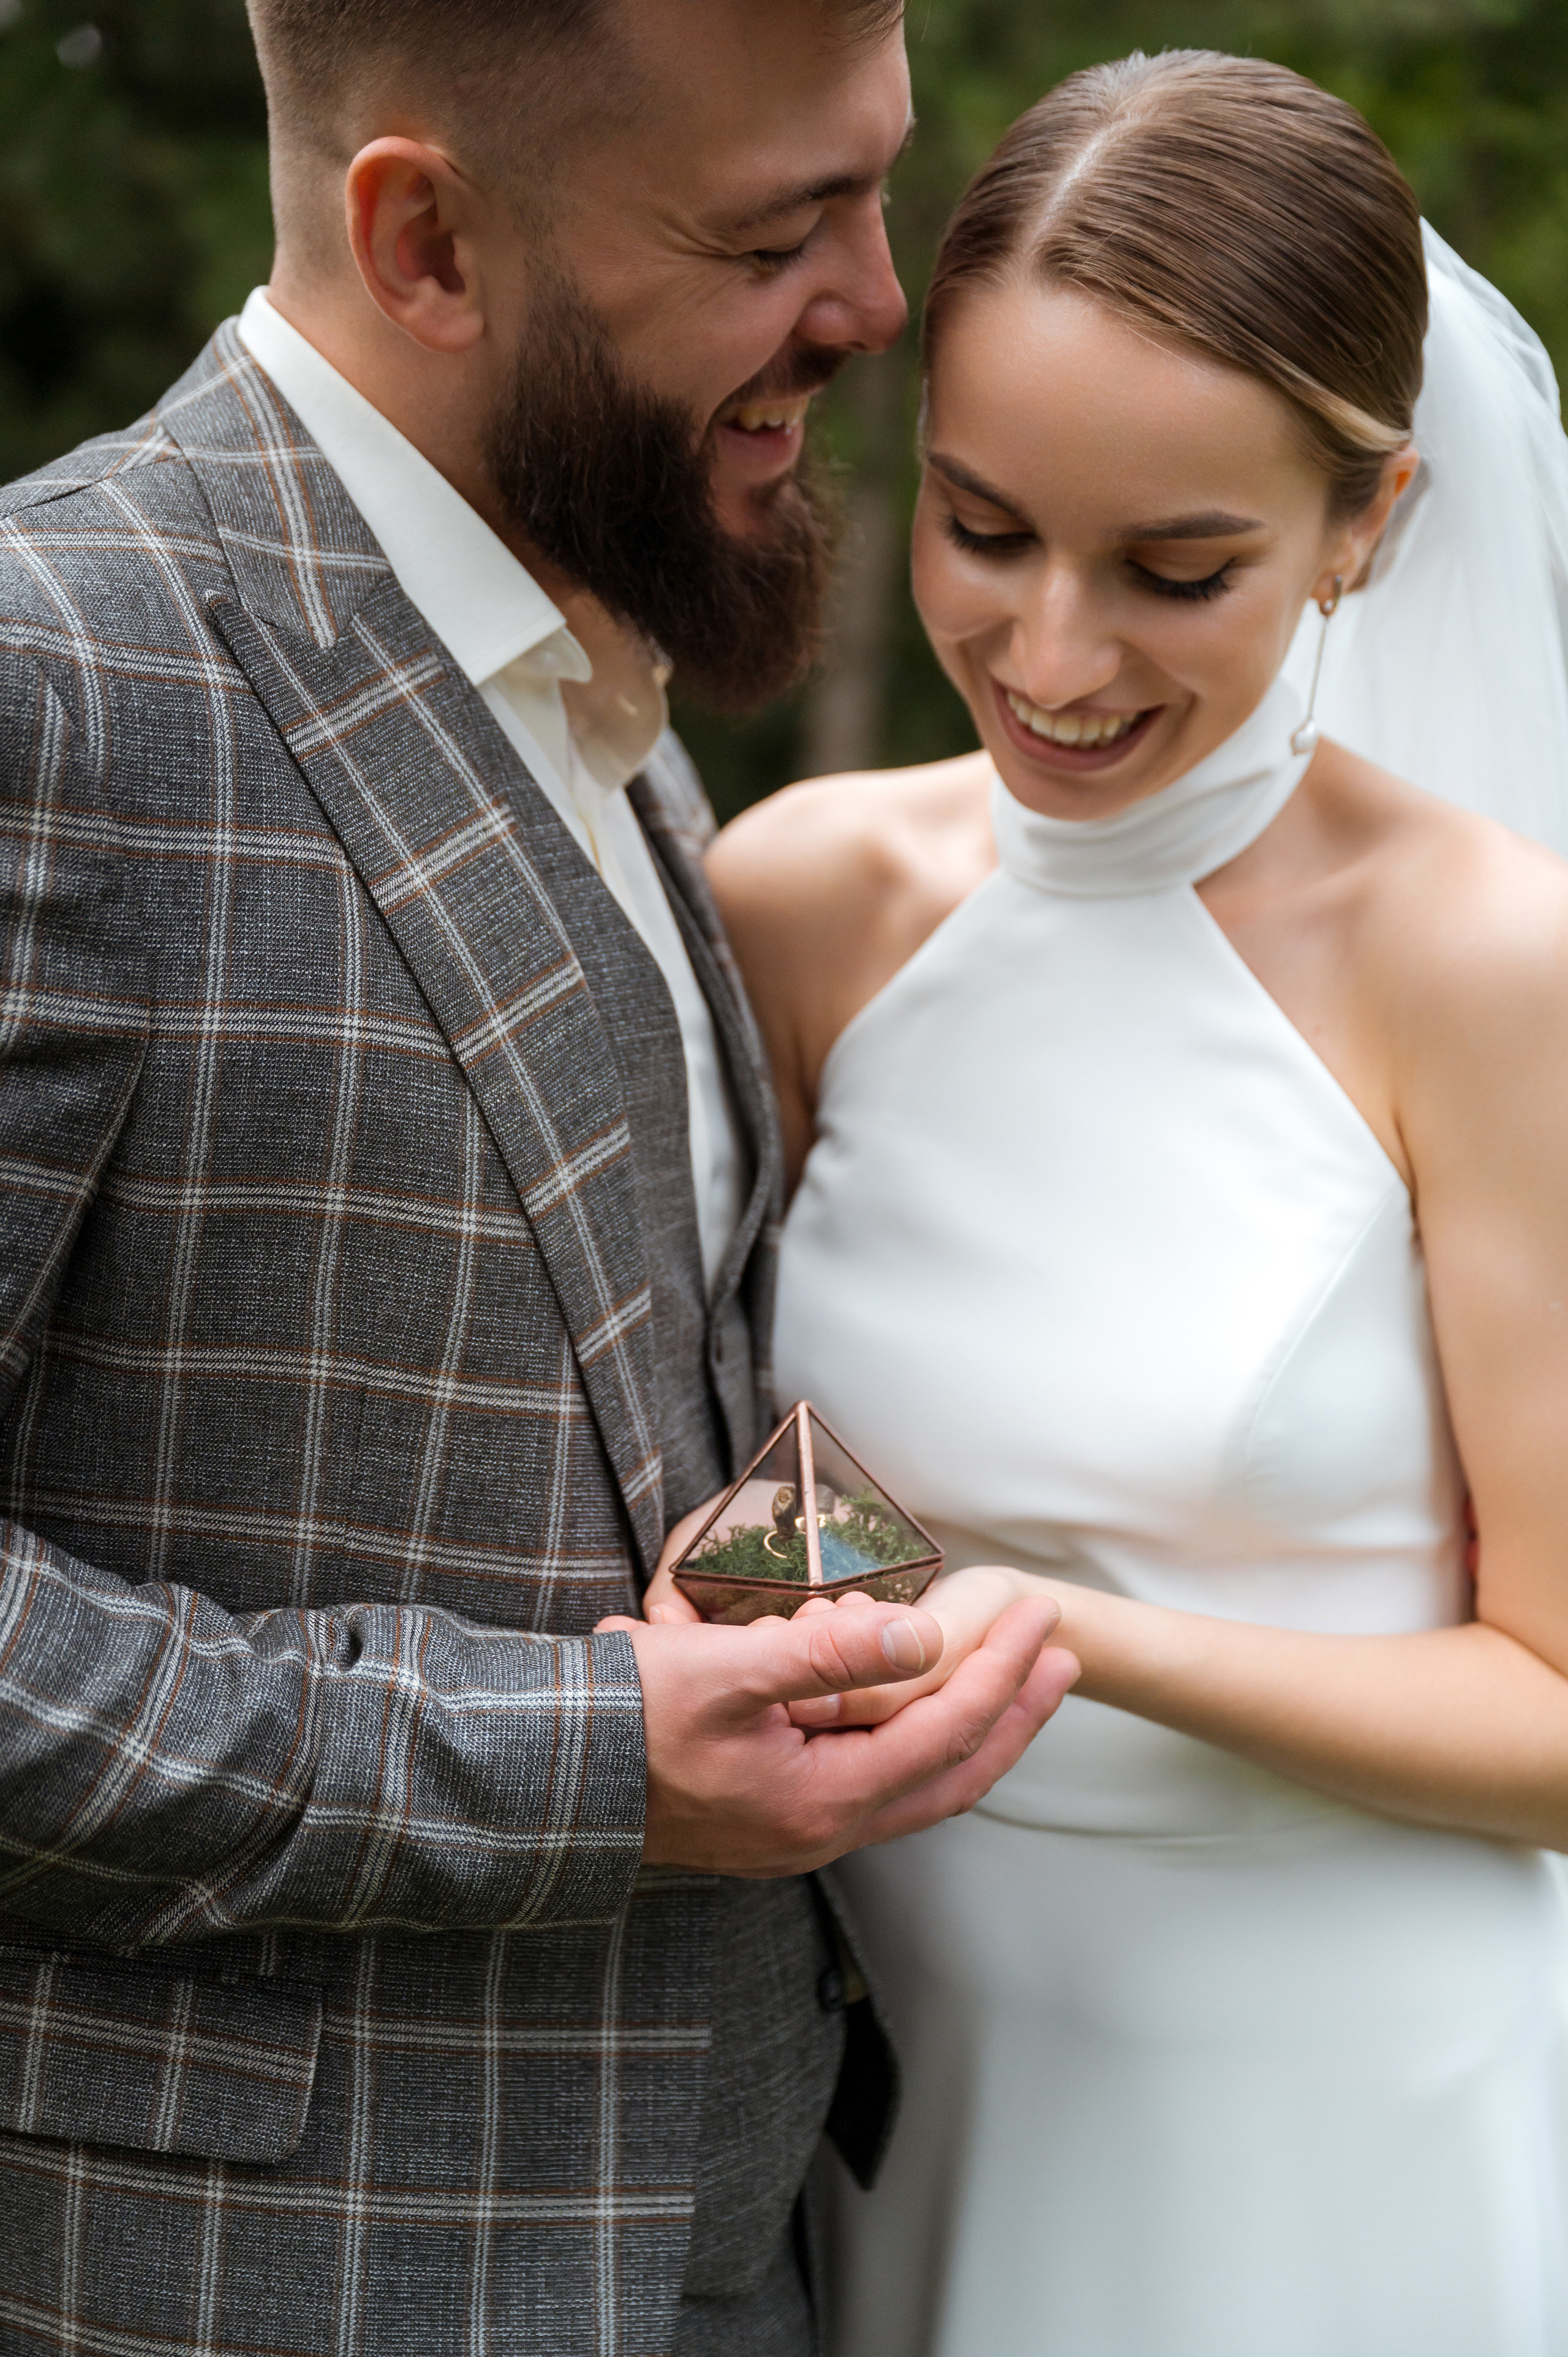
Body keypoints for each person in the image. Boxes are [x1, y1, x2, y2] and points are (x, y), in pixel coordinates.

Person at [0, 4, 1079, 2353]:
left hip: (750, 2243)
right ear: (427, 244)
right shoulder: (51, 680)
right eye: (774, 233)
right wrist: (577, 1765)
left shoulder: (604, 677)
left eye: (875, 187)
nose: (879, 301)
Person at [666, 49, 1568, 2357]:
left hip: (1329, 2100)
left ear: (1364, 526)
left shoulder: (1488, 967)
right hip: (895, 2071)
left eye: (1178, 571)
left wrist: (1057, 1635)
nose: (1055, 659)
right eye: (986, 531)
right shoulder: (801, 898)